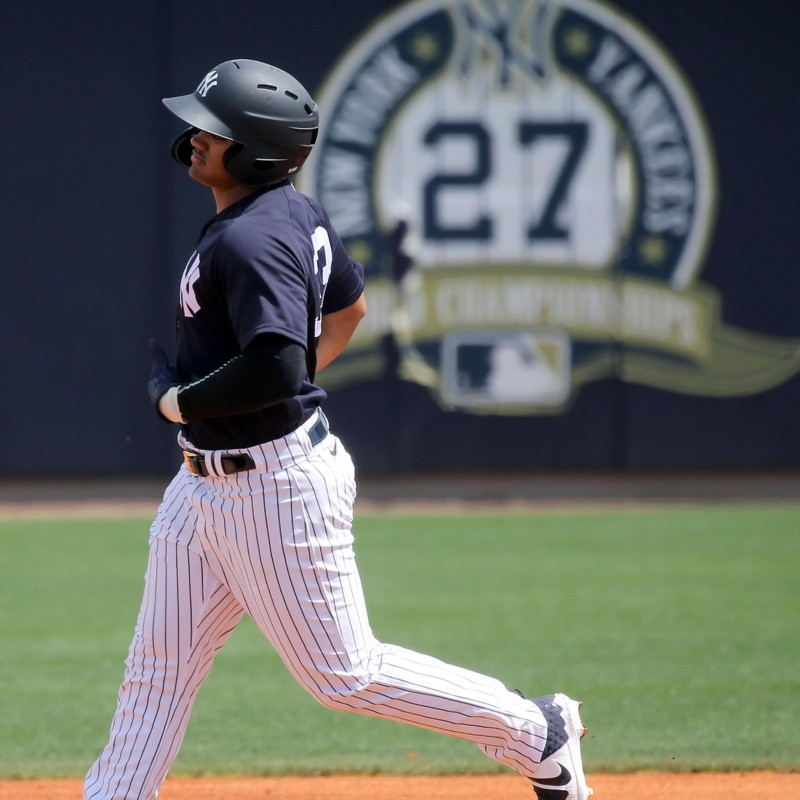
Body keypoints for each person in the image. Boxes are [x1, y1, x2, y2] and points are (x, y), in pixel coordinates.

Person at [84, 58, 592, 800]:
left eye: (214, 129)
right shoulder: (286, 212)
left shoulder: (253, 238)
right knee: (158, 669)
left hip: (271, 488)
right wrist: (223, 408)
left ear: (254, 151)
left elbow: (279, 368)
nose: (195, 136)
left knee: (344, 675)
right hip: (204, 488)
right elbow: (349, 308)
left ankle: (533, 731)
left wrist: (180, 404)